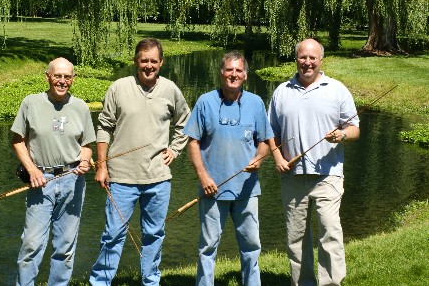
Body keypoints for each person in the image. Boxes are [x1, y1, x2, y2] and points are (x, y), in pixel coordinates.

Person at [90, 38, 190, 286]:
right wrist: (101, 166)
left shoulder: (170, 90)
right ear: (136, 61)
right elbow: (103, 127)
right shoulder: (119, 87)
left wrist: (175, 150)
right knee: (113, 234)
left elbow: (186, 122)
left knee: (154, 234)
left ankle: (150, 280)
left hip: (158, 178)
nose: (148, 66)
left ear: (161, 62)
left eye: (153, 61)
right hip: (121, 178)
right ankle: (100, 282)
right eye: (144, 61)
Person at [268, 38, 360, 286]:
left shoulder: (337, 89)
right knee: (296, 238)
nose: (307, 63)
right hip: (292, 177)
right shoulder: (281, 91)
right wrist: (278, 158)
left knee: (330, 233)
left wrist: (341, 135)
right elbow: (271, 133)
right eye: (302, 57)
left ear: (321, 59)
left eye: (312, 58)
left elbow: (354, 129)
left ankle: (331, 283)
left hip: (328, 176)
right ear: (296, 58)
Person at [183, 51, 275, 286]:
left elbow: (264, 141)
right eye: (229, 70)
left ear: (245, 75)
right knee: (208, 246)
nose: (233, 75)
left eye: (238, 71)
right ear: (221, 73)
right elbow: (192, 141)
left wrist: (259, 159)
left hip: (247, 190)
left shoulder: (255, 103)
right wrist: (203, 176)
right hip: (212, 189)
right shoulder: (205, 101)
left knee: (251, 245)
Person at [11, 57, 96, 285]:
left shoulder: (80, 107)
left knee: (65, 247)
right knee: (32, 245)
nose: (62, 81)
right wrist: (32, 171)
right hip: (41, 181)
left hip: (72, 181)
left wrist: (85, 162)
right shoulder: (31, 103)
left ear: (73, 79)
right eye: (57, 75)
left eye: (67, 77)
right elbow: (18, 141)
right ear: (48, 76)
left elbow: (87, 145)